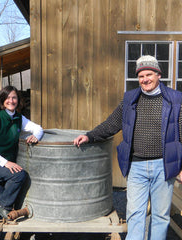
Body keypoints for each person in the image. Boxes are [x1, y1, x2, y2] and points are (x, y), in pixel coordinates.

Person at [74, 55, 182, 240]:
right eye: (141, 76)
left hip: (164, 166)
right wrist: (90, 135)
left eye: (149, 74)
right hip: (136, 166)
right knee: (135, 214)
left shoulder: (175, 99)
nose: (145, 79)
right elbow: (112, 124)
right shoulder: (130, 99)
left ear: (158, 75)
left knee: (160, 216)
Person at [0, 85, 43, 240]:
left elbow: (38, 128)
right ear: (2, 101)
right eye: (8, 98)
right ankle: (2, 207)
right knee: (19, 175)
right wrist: (6, 163)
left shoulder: (18, 118)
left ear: (18, 100)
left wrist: (36, 136)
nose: (11, 100)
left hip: (2, 164)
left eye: (14, 97)